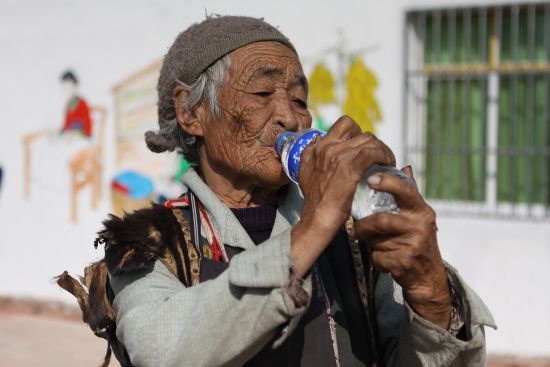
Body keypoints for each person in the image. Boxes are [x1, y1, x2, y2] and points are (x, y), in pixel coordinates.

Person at [100, 16, 495, 367]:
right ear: (191, 113)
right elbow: (161, 350)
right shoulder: (149, 242)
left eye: (298, 99)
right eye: (262, 94)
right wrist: (315, 223)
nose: (291, 117)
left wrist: (431, 296)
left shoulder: (355, 237)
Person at [60, 70, 93, 137]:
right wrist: (63, 132)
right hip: (70, 135)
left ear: (74, 85)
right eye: (65, 87)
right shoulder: (68, 105)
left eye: (69, 86)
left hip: (81, 135)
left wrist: (80, 133)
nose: (67, 89)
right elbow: (66, 124)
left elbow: (87, 123)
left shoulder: (82, 102)